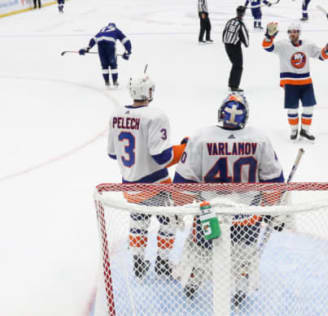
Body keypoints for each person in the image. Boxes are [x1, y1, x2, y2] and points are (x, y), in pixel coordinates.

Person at [173, 92, 285, 306]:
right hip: (247, 214)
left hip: (209, 212)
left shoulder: (201, 137)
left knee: (202, 249)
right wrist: (272, 209)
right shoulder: (259, 138)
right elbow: (274, 179)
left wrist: (180, 207)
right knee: (244, 253)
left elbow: (183, 179)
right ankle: (241, 287)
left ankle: (194, 280)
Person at [107, 74, 188, 278]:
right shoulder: (155, 116)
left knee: (138, 222)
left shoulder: (116, 115)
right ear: (150, 92)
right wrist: (183, 149)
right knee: (169, 221)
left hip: (129, 187)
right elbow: (162, 157)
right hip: (155, 185)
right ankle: (162, 263)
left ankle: (138, 262)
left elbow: (112, 153)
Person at [262, 22, 328, 141]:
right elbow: (268, 47)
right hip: (290, 82)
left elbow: (321, 56)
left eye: (295, 31)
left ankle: (304, 131)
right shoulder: (282, 45)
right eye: (290, 32)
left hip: (305, 82)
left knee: (309, 107)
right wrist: (268, 37)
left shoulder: (308, 44)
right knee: (292, 108)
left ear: (299, 33)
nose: (293, 34)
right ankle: (293, 130)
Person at [79, 23, 132, 88]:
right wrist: (128, 51)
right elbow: (125, 40)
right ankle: (115, 81)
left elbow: (94, 39)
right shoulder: (116, 30)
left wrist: (87, 48)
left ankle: (107, 82)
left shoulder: (102, 29)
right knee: (113, 64)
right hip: (110, 43)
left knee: (104, 65)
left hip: (100, 43)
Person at [222, 6, 249, 92]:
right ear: (243, 13)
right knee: (238, 66)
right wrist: (246, 44)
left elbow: (224, 32)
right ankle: (234, 86)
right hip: (235, 46)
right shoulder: (240, 24)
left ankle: (231, 84)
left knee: (235, 65)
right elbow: (245, 39)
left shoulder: (230, 21)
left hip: (227, 45)